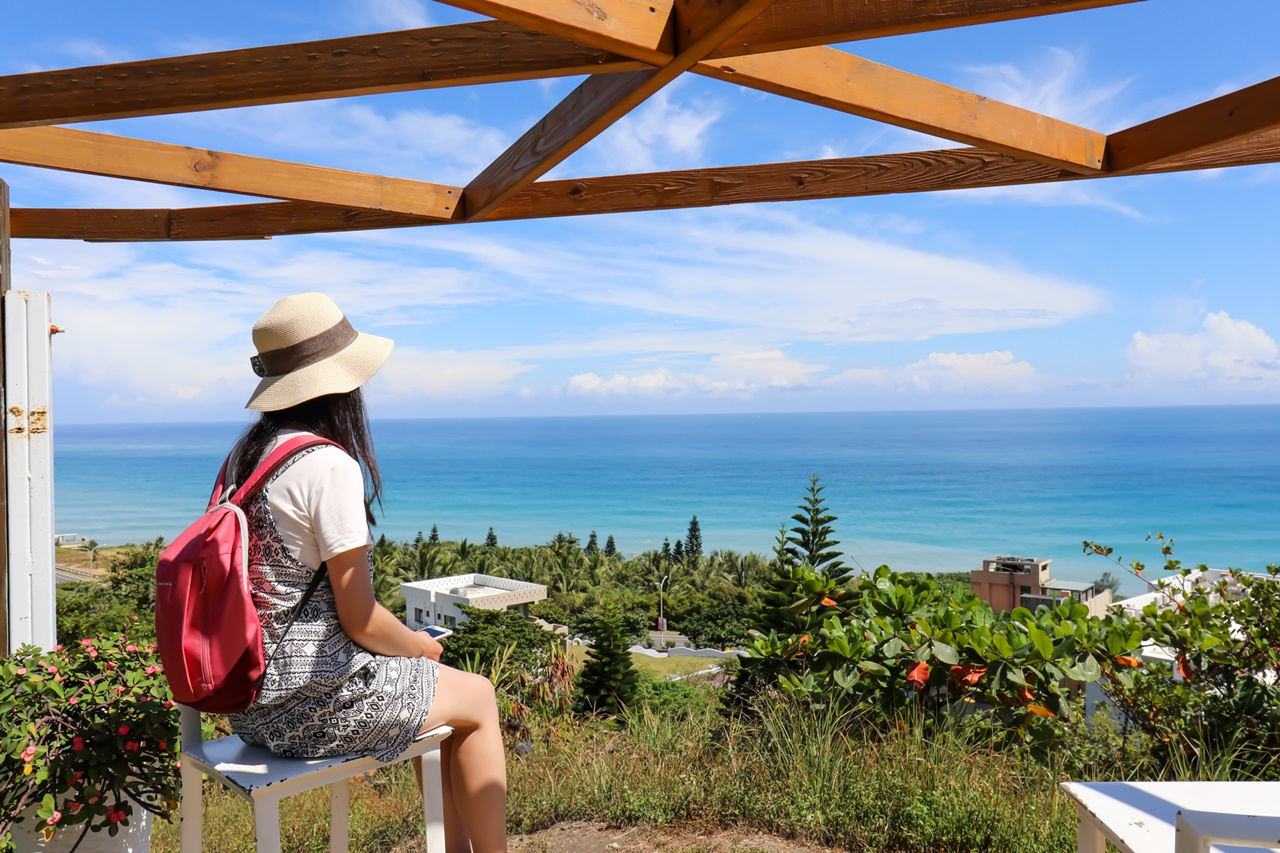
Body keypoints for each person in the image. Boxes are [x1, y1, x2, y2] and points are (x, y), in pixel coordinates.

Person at [225, 292, 505, 853]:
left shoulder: (252, 456)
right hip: (307, 704)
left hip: (248, 705)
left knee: (450, 700)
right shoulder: (326, 464)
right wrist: (418, 647)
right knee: (477, 697)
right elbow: (361, 618)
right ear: (341, 382)